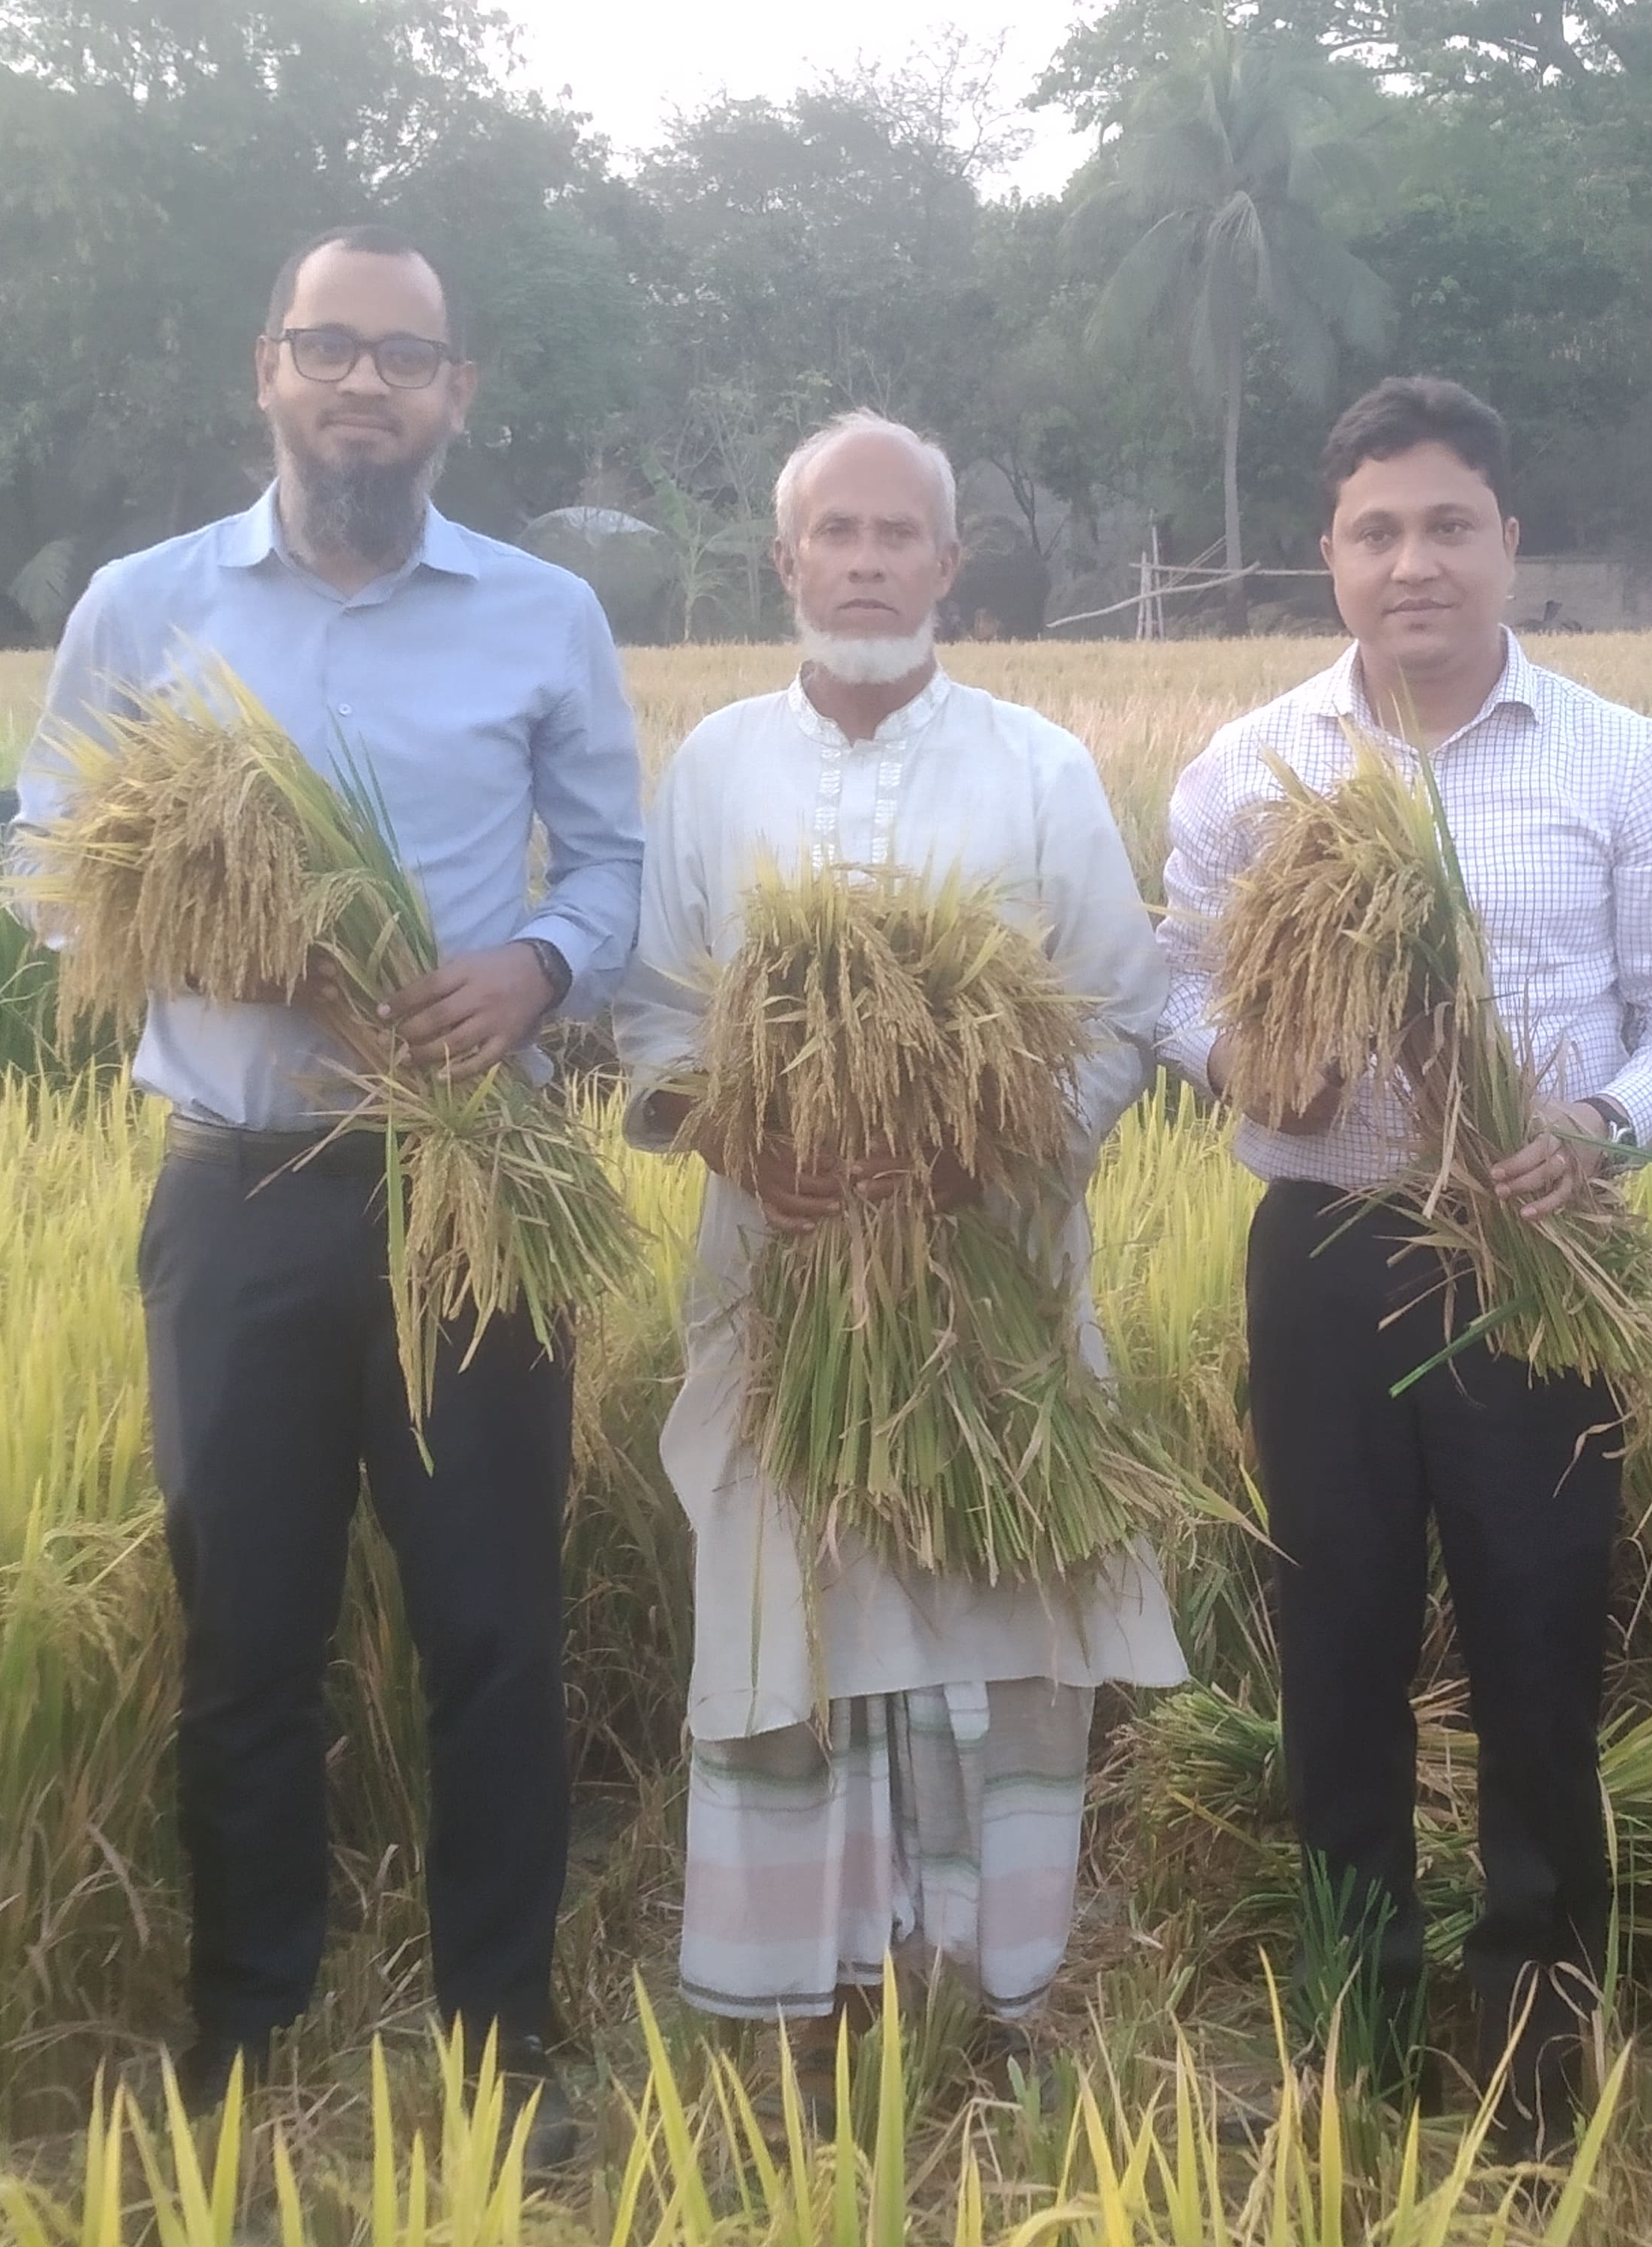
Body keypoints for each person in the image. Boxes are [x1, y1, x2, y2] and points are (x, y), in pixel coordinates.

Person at [12, 223, 644, 2156]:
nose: (364, 381)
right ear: (266, 371)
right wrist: (225, 939)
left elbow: (619, 870)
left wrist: (533, 969)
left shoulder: (544, 614)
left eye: (404, 354)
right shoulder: (146, 607)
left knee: (491, 1625)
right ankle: (247, 2014)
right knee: (249, 1629)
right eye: (328, 347)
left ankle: (501, 2032)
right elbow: (50, 870)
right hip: (243, 1190)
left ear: (457, 393)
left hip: (474, 1186)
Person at [1157, 376, 1652, 2155]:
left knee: (1538, 1646)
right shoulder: (1252, 767)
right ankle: (1352, 2019)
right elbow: (1175, 980)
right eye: (1373, 531)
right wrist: (1243, 1064)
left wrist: (1606, 1131)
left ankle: (1534, 2041)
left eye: (1445, 526)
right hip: (1326, 1254)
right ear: (1328, 556)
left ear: (1509, 544)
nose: (1410, 562)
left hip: (1537, 1258)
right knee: (1329, 1640)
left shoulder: (1617, 762)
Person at [611, 411, 1185, 2072]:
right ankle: (802, 2010)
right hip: (779, 1290)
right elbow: (656, 1011)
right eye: (834, 534)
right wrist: (736, 1133)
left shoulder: (1034, 767)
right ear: (785, 560)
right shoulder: (712, 766)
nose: (864, 564)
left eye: (897, 535)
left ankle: (990, 2003)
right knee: (791, 1597)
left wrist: (977, 1153)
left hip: (986, 1296)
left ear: (947, 563)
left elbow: (1118, 1017)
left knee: (990, 1612)